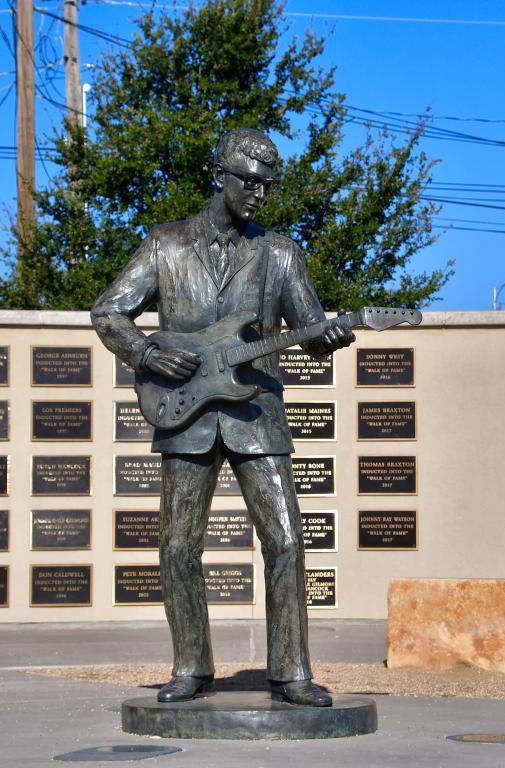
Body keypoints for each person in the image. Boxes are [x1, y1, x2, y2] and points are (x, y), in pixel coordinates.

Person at [91, 128, 354, 707]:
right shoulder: (165, 244)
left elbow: (309, 327)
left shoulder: (281, 252)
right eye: (250, 182)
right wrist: (149, 353)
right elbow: (109, 312)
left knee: (286, 541)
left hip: (257, 414)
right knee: (178, 545)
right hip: (185, 413)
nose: (260, 194)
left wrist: (328, 337)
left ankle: (291, 671)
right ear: (220, 177)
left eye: (269, 185)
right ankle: (191, 666)